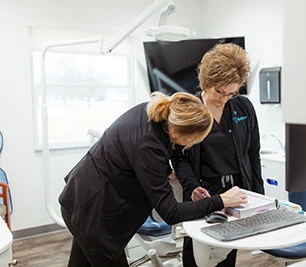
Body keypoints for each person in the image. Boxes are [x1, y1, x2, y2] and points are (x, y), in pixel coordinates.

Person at [58, 91, 248, 267]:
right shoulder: (148, 147)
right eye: (194, 140)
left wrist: (165, 171)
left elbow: (136, 153)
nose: (192, 146)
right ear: (182, 133)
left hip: (80, 198)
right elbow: (171, 213)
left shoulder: (152, 112)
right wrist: (220, 200)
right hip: (93, 212)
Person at [171, 43, 264, 266]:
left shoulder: (243, 108)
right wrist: (192, 188)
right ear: (207, 82)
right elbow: (178, 157)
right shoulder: (190, 109)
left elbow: (253, 153)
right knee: (198, 256)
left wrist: (260, 197)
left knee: (227, 255)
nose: (223, 99)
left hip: (237, 193)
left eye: (231, 93)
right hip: (204, 193)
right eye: (219, 92)